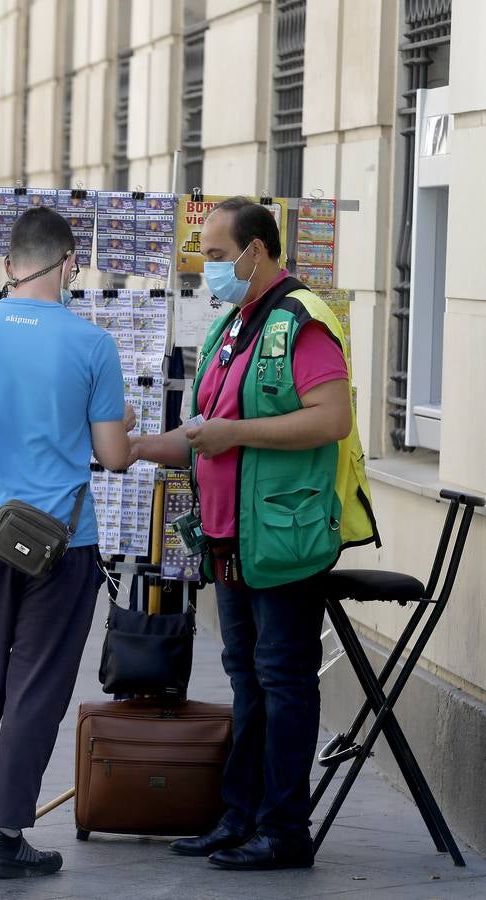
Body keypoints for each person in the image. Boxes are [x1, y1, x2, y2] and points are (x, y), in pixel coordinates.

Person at [130, 198, 378, 871]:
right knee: (247, 677)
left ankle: (283, 830)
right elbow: (202, 429)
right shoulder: (231, 326)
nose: (208, 269)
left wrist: (233, 433)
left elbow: (329, 420)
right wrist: (140, 446)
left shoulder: (302, 321)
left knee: (283, 678)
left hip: (284, 537)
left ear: (256, 251)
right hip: (230, 536)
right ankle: (238, 816)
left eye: (215, 256)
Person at [0, 206, 132, 881]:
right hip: (62, 544)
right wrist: (123, 422)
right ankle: (6, 837)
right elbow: (114, 456)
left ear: (8, 264)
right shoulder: (93, 344)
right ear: (71, 263)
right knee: (35, 688)